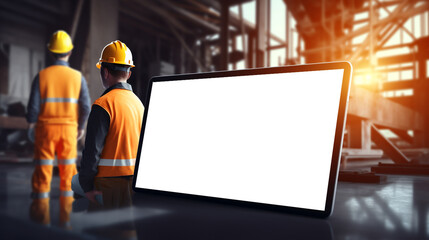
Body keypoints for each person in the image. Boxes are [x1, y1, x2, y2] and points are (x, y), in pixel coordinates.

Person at [27, 30, 91, 226]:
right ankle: (66, 223)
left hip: (45, 131)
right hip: (69, 132)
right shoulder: (77, 77)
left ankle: (41, 221)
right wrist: (80, 127)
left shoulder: (42, 76)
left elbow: (33, 108)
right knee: (67, 175)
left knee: (43, 172)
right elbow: (86, 106)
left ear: (51, 52)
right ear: (69, 52)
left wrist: (31, 124)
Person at [78, 40, 144, 210]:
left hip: (107, 187)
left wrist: (87, 186)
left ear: (105, 72)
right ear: (128, 74)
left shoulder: (103, 105)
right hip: (135, 185)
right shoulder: (139, 105)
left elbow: (92, 151)